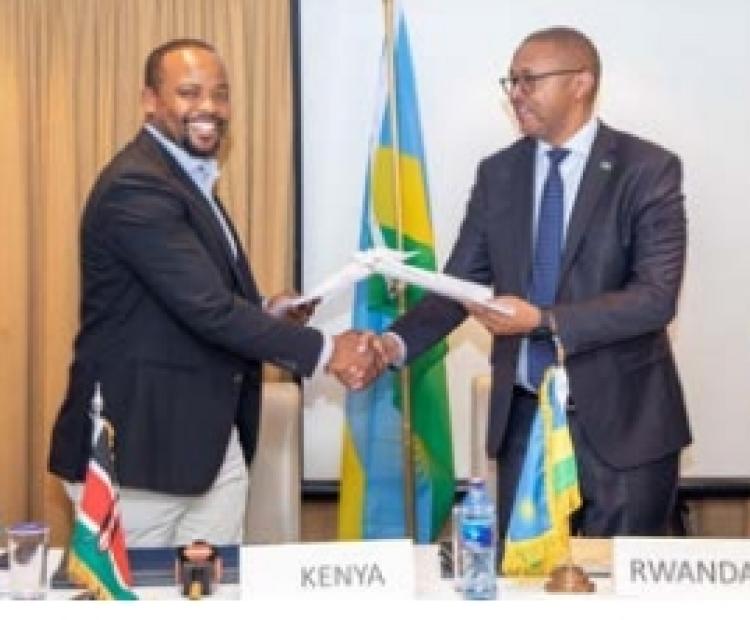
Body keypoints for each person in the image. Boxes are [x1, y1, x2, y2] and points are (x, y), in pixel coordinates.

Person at [48, 39, 380, 547]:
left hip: (209, 444)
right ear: (150, 101)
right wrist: (328, 350)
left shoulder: (185, 179)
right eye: (188, 92)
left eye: (220, 95)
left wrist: (267, 312)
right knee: (139, 598)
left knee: (215, 593)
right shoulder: (136, 186)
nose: (209, 107)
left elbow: (190, 297)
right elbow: (206, 308)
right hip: (137, 452)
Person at [373, 27, 690, 549]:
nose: (515, 93)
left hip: (624, 428)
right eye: (511, 81)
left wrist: (543, 321)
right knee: (524, 588)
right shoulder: (499, 173)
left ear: (581, 83)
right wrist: (391, 343)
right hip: (525, 420)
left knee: (624, 591)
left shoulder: (647, 168)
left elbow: (655, 298)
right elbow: (462, 285)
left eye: (528, 80)